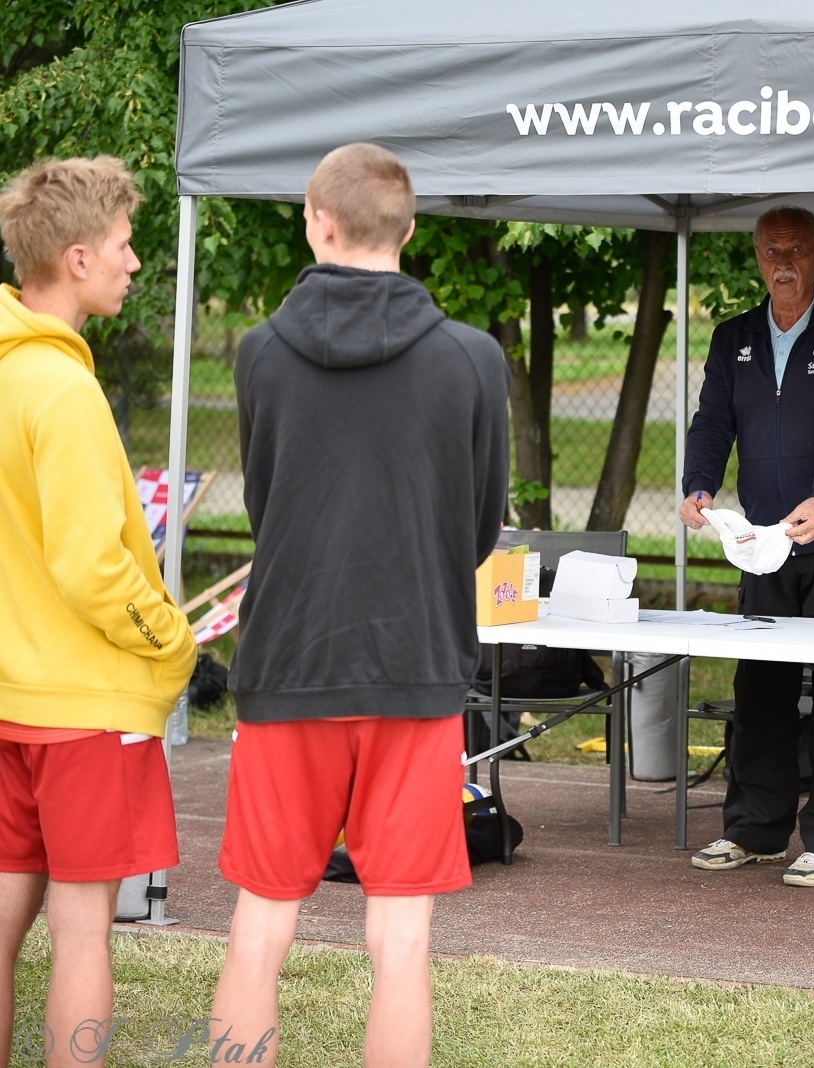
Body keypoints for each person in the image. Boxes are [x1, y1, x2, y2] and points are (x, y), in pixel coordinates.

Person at [209, 143, 509, 1067]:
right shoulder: (473, 359)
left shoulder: (260, 355)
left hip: (289, 658)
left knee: (261, 922)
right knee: (401, 936)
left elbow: (270, 504)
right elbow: (481, 527)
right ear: (409, 231)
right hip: (414, 666)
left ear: (315, 221)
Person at [0, 157, 198, 1067]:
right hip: (85, 711)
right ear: (76, 259)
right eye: (122, 246)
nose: (133, 262)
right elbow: (91, 566)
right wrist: (173, 639)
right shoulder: (65, 389)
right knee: (82, 935)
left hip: (11, 698)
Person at [679, 205, 814, 888]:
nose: (784, 261)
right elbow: (712, 421)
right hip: (761, 544)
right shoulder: (734, 336)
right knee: (760, 690)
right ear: (757, 258)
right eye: (771, 250)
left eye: (796, 248)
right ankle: (755, 829)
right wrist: (699, 486)